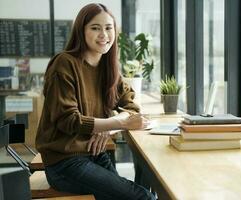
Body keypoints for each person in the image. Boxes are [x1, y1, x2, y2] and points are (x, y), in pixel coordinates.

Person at [35, 3, 155, 200]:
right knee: (143, 197)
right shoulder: (64, 64)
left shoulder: (108, 66)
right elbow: (68, 120)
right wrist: (119, 123)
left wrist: (108, 128)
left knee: (135, 195)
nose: (104, 34)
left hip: (95, 153)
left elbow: (131, 106)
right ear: (81, 31)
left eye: (108, 28)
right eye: (95, 28)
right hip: (64, 163)